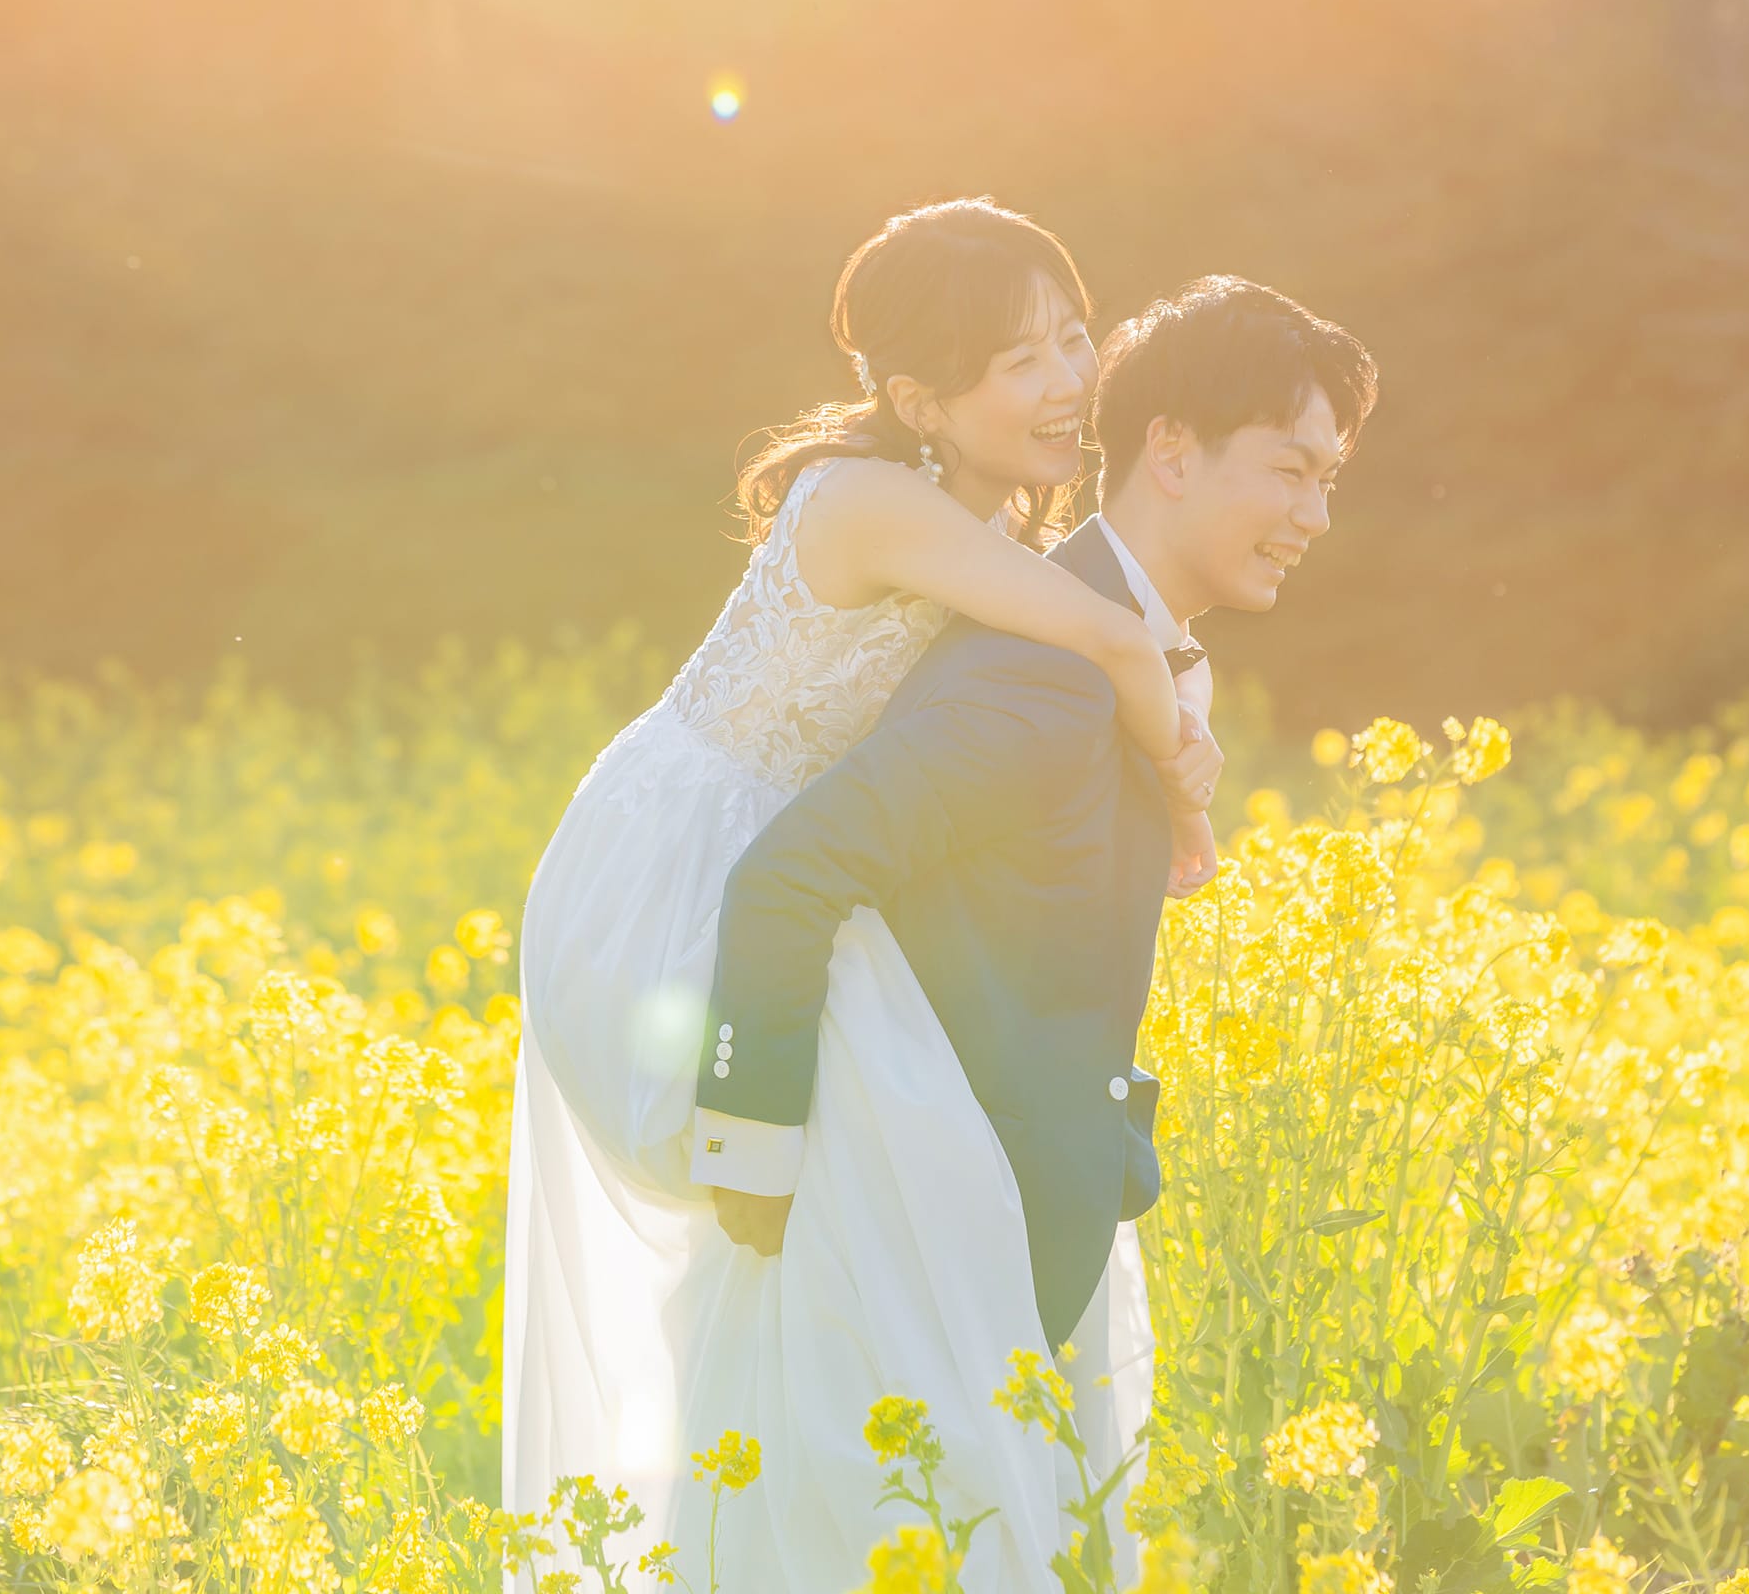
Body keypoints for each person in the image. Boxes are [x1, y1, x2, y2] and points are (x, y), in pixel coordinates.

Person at [501, 201, 1223, 1572]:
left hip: (769, 864)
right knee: (892, 1175)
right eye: (1020, 361)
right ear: (917, 400)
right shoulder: (874, 502)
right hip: (673, 873)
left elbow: (1123, 647)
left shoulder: (974, 517)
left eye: (1075, 338)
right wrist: (1187, 795)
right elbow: (1117, 640)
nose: (1070, 381)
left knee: (876, 1205)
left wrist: (1171, 721)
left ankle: (843, 1520)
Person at [688, 273, 1377, 1589]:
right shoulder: (1046, 676)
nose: (1317, 515)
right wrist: (758, 1177)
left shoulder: (1107, 649)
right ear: (1169, 450)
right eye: (1292, 470)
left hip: (1008, 1246)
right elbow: (784, 880)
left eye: (1329, 479)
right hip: (919, 1255)